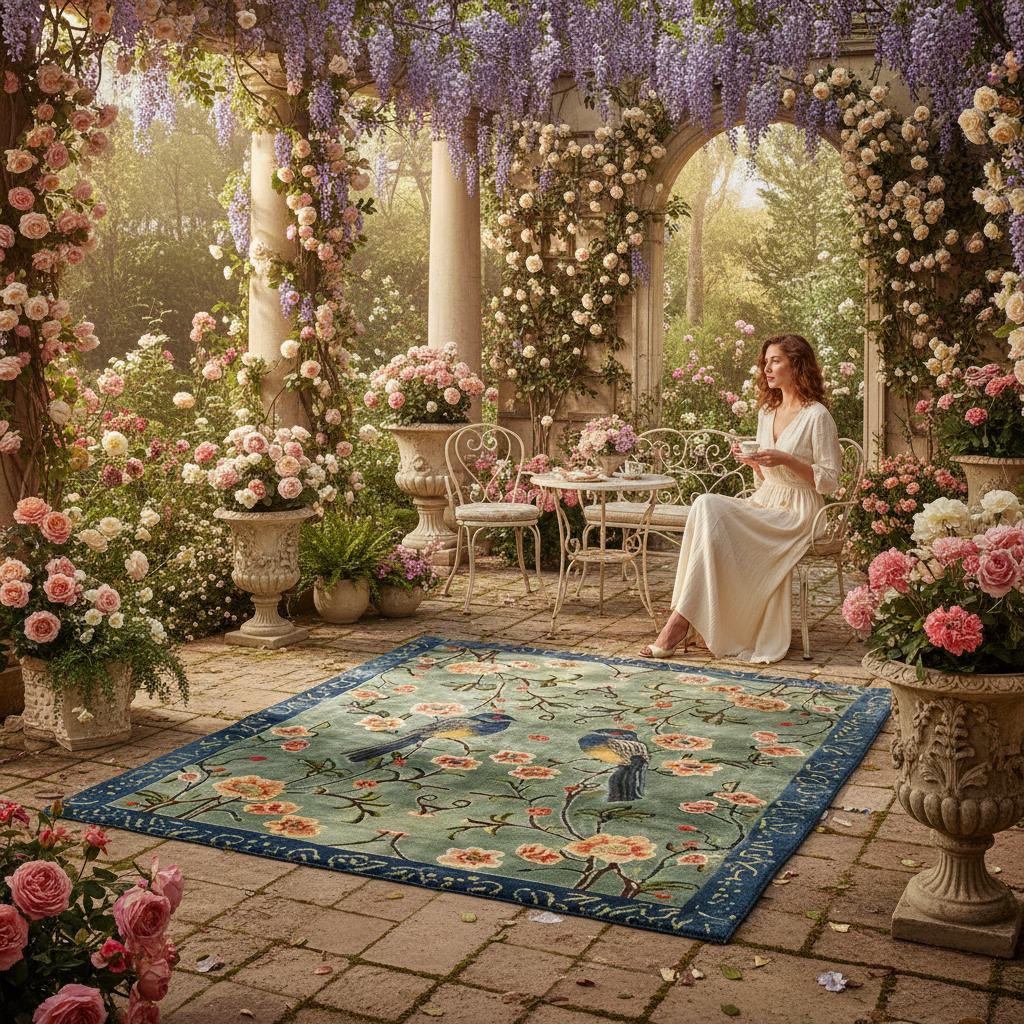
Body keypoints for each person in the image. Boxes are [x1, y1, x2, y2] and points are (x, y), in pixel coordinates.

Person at [639, 333, 843, 664]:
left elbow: (829, 481)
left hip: (798, 512)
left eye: (775, 361)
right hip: (766, 500)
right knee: (705, 504)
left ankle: (679, 623)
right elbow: (766, 478)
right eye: (765, 362)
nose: (767, 368)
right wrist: (755, 464)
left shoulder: (817, 415)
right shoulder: (767, 412)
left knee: (711, 509)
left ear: (797, 364)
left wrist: (786, 459)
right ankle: (688, 618)